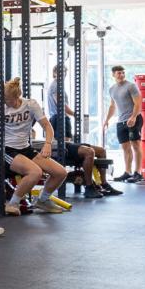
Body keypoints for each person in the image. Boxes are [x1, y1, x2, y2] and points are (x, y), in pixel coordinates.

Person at [0, 78, 68, 215]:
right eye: (4, 99)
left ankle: (43, 200)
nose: (5, 102)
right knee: (35, 172)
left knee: (60, 172)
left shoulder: (31, 105)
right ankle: (12, 203)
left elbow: (47, 126)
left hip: (26, 149)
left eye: (8, 100)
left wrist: (47, 144)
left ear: (17, 96)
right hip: (7, 151)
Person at [46, 66, 120, 198]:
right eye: (59, 72)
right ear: (54, 73)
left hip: (63, 119)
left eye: (64, 72)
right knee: (69, 148)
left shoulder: (58, 86)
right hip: (59, 119)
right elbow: (60, 105)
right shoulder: (56, 85)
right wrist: (76, 114)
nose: (62, 74)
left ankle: (103, 184)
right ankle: (89, 186)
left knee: (101, 151)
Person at [103, 65, 144, 183]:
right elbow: (112, 106)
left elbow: (138, 103)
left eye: (122, 73)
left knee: (136, 145)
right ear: (113, 75)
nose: (121, 75)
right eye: (118, 73)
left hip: (134, 119)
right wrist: (106, 120)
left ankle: (138, 172)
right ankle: (127, 172)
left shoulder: (131, 86)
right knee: (125, 148)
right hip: (121, 121)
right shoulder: (112, 89)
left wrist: (133, 117)